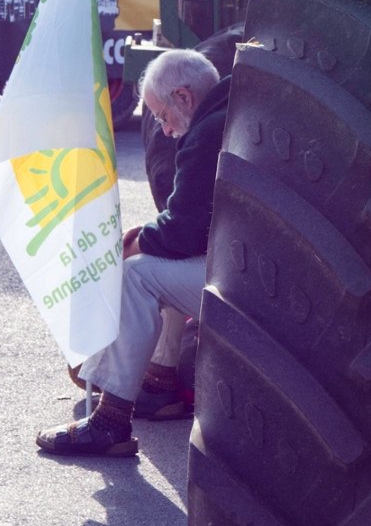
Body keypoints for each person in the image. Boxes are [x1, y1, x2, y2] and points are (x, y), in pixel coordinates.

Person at [37, 48, 230, 457]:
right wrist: (147, 236)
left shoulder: (205, 134)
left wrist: (131, 245)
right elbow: (190, 229)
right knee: (159, 263)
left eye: (162, 115)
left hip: (242, 284)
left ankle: (110, 422)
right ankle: (158, 384)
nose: (165, 130)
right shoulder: (232, 109)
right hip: (249, 266)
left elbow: (181, 234)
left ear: (184, 97)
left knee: (137, 274)